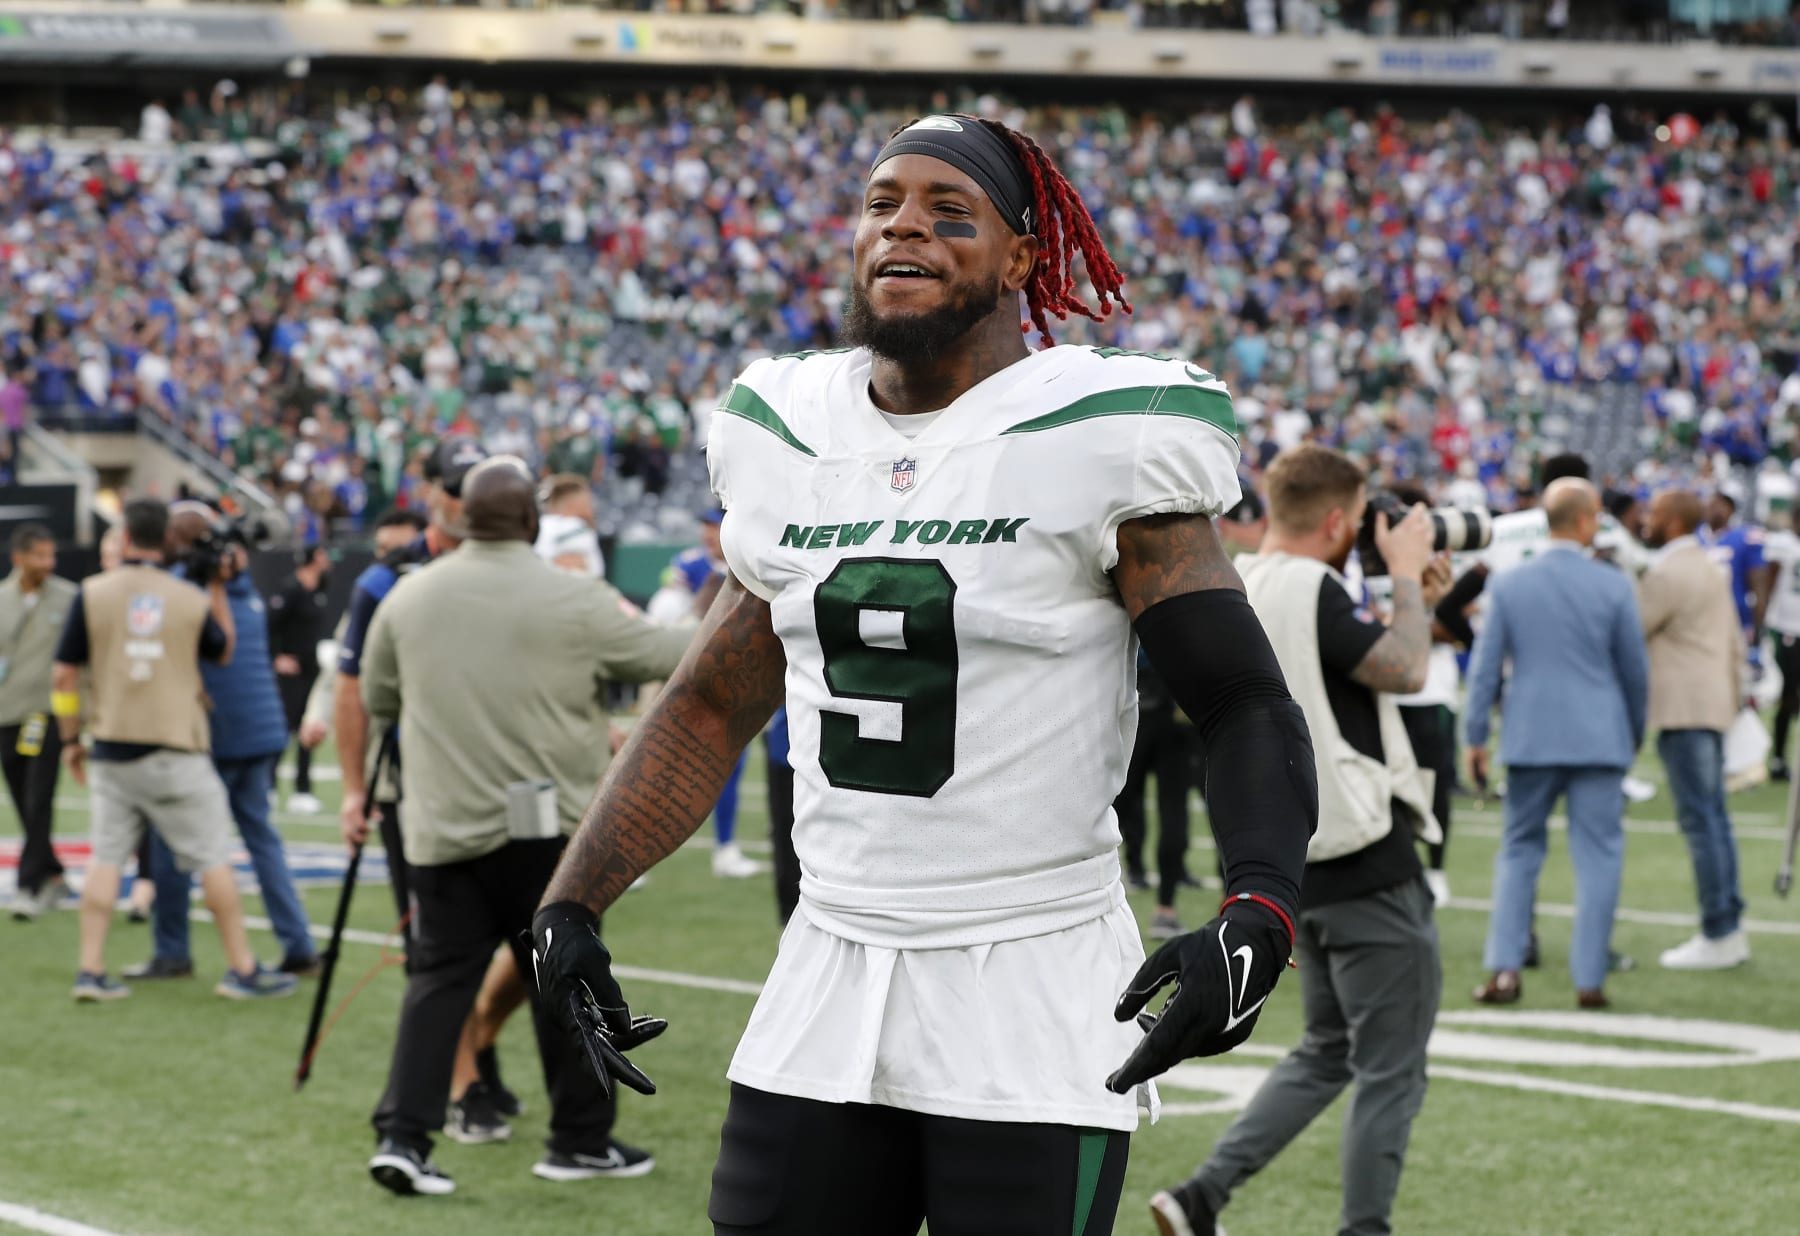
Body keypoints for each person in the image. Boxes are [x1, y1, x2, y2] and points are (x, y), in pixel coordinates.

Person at [530, 112, 1315, 1236]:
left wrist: (1260, 907)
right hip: (829, 962)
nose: (906, 226)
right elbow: (709, 702)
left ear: (1022, 258)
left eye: (954, 212)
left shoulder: (1099, 428)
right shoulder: (787, 430)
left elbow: (1239, 697)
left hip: (1033, 971)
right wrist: (573, 900)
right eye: (883, 202)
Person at [357, 457, 691, 1196]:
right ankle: (578, 1140)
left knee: (437, 981)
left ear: (457, 518)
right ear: (534, 523)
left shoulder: (409, 598)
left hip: (444, 824)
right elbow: (669, 655)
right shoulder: (573, 596)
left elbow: (378, 698)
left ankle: (404, 1137)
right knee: (563, 979)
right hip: (550, 833)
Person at [1152, 444, 1443, 1236]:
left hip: (1287, 860)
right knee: (1390, 1071)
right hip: (1365, 853)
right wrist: (1410, 578)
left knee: (1325, 1050)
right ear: (1342, 519)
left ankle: (1202, 1194)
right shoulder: (1315, 583)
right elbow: (1405, 669)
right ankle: (1363, 1228)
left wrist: (1421, 600)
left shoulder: (1236, 580)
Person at [49, 497, 297, 1001]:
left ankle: (91, 970)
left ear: (122, 538)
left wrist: (71, 737)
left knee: (106, 859)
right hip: (175, 747)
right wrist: (217, 586)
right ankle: (242, 969)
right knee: (212, 858)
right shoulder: (186, 595)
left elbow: (63, 673)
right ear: (165, 539)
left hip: (113, 746)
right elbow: (222, 649)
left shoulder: (92, 592)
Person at [1463, 479, 1649, 1008]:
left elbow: (1485, 670)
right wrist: (1632, 732)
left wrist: (1475, 735)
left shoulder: (1512, 584)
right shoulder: (1612, 585)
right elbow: (1635, 673)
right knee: (1599, 857)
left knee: (1519, 852)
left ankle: (1505, 969)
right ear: (1588, 520)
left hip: (1530, 734)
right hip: (1599, 735)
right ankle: (1589, 979)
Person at [125, 506, 320, 981]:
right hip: (263, 731)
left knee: (173, 842)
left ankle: (172, 950)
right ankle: (298, 945)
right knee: (262, 841)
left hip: (214, 737)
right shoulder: (243, 588)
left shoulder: (184, 592)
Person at [1641, 489, 1751, 971]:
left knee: (1701, 823)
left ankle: (1719, 929)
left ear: (1670, 521)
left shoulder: (1669, 570)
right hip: (1712, 703)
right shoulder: (1709, 565)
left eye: (1654, 513)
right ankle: (1729, 923)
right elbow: (1733, 640)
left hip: (1684, 707)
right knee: (1716, 819)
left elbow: (1632, 623)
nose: (1645, 519)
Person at [671, 507, 760, 879]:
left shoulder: (753, 561)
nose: (709, 534)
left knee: (731, 765)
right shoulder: (689, 565)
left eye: (715, 526)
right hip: (685, 674)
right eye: (705, 526)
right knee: (663, 763)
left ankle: (725, 846)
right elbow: (672, 614)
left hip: (734, 682)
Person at [1, 524, 77, 920]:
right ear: (19, 558)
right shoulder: (1, 600)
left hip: (44, 713)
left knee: (38, 796)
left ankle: (28, 885)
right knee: (21, 797)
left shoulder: (67, 598)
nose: (49, 563)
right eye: (40, 556)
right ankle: (53, 871)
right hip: (6, 712)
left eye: (52, 555)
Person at [1114, 651, 1197, 938]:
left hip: (1132, 694)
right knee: (1172, 809)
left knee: (1116, 803)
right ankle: (1165, 909)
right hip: (1173, 700)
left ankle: (1078, 891)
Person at [268, 544, 332, 815]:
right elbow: (270, 624)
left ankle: (302, 790)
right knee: (282, 731)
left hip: (311, 671)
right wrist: (276, 657)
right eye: (323, 555)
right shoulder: (290, 589)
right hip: (290, 674)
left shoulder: (318, 590)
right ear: (313, 559)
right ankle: (268, 787)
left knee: (309, 730)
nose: (328, 560)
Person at [1699, 491, 1772, 641]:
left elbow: (1758, 581)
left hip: (1736, 618)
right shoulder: (1694, 537)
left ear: (1730, 509)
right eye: (1712, 503)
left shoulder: (1745, 537)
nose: (1714, 508)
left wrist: (1759, 621)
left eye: (1720, 504)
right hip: (1700, 616)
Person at [1763, 519, 1800, 781]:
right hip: (1788, 628)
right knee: (1788, 695)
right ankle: (1778, 758)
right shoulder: (1784, 544)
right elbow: (1768, 581)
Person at [534, 474, 606, 578]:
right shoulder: (573, 525)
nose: (591, 511)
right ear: (571, 504)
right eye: (587, 504)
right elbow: (574, 567)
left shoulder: (537, 525)